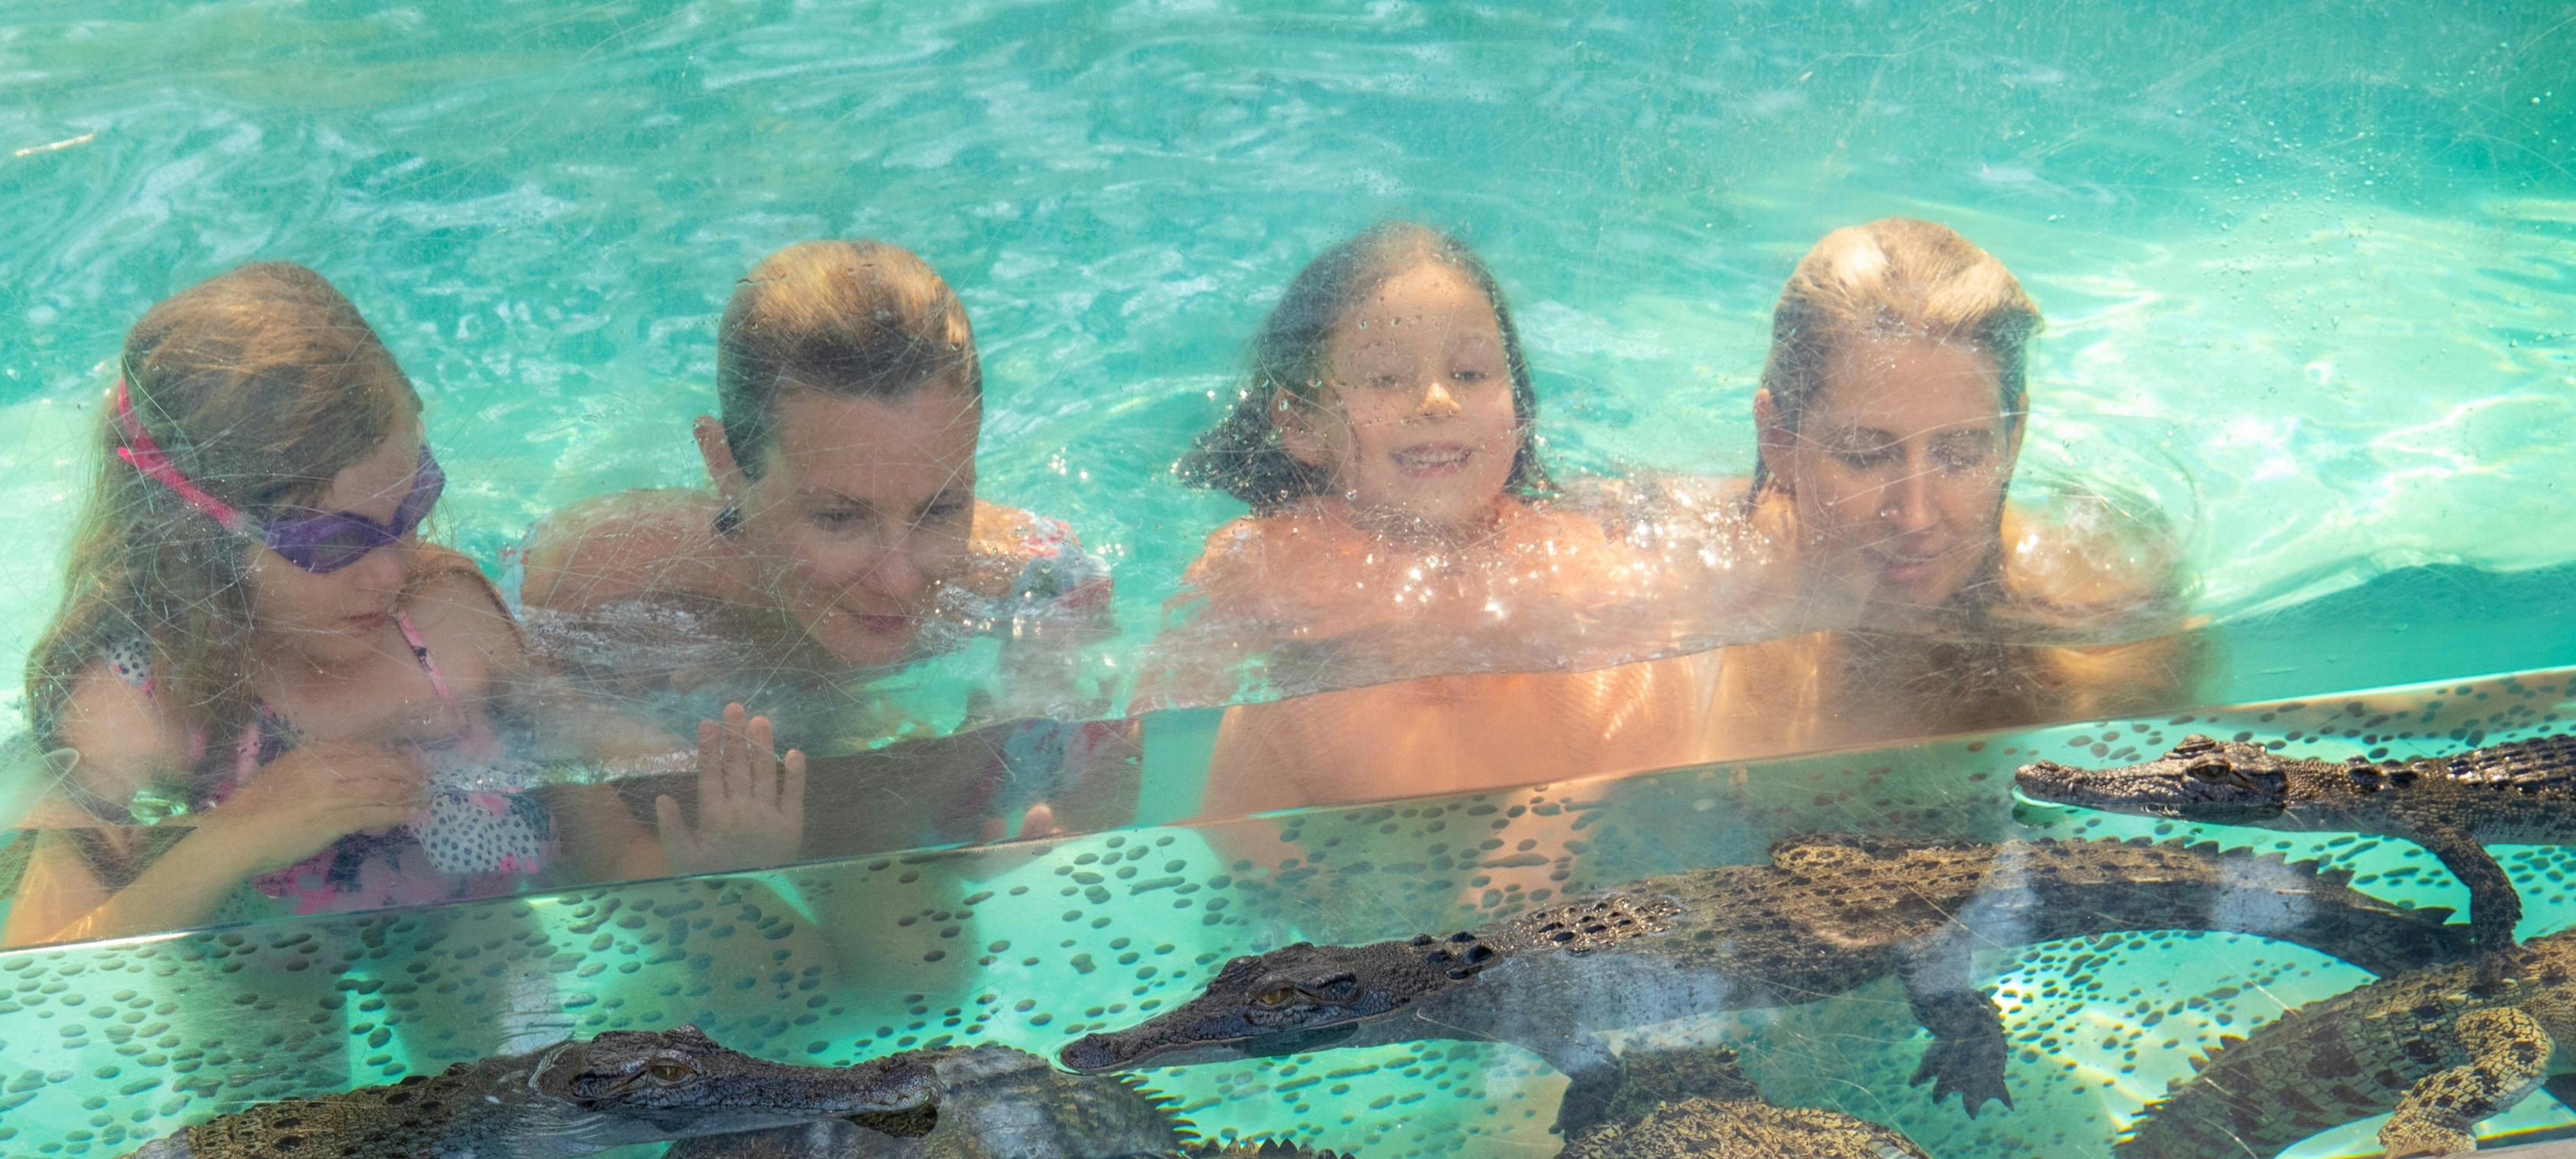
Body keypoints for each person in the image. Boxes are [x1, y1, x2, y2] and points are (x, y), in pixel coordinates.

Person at [0, 262, 800, 951]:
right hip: (262, 983)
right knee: (272, 996)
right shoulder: (138, 708)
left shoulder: (449, 629)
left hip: (473, 953)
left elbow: (612, 861)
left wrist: (716, 863)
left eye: (412, 508)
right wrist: (230, 842)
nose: (390, 573)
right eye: (336, 545)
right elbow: (30, 975)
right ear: (194, 537)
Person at [1148, 221, 1687, 816]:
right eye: (1386, 379)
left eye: (1470, 373)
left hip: (1568, 828)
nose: (1437, 401)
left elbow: (1663, 674)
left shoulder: (1573, 553)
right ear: (1302, 424)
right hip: (1318, 840)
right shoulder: (1264, 561)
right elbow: (1161, 710)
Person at [519, 239, 1114, 742]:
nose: (900, 579)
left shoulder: (1031, 581)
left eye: (942, 508)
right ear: (725, 464)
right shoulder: (597, 583)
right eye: (838, 518)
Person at [1668, 217, 2197, 756]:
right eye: (1865, 456)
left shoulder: (2107, 624)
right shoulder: (1674, 622)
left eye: (1960, 455)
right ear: (1778, 437)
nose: (1915, 515)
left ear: (2013, 438)